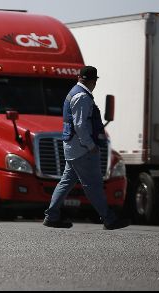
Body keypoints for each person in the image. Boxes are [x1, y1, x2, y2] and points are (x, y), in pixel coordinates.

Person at [43, 66, 129, 230]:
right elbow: (80, 125)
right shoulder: (82, 97)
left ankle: (52, 216)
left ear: (79, 78)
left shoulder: (74, 92)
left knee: (66, 183)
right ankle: (109, 219)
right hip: (82, 150)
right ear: (93, 81)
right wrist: (90, 146)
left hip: (72, 148)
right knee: (94, 185)